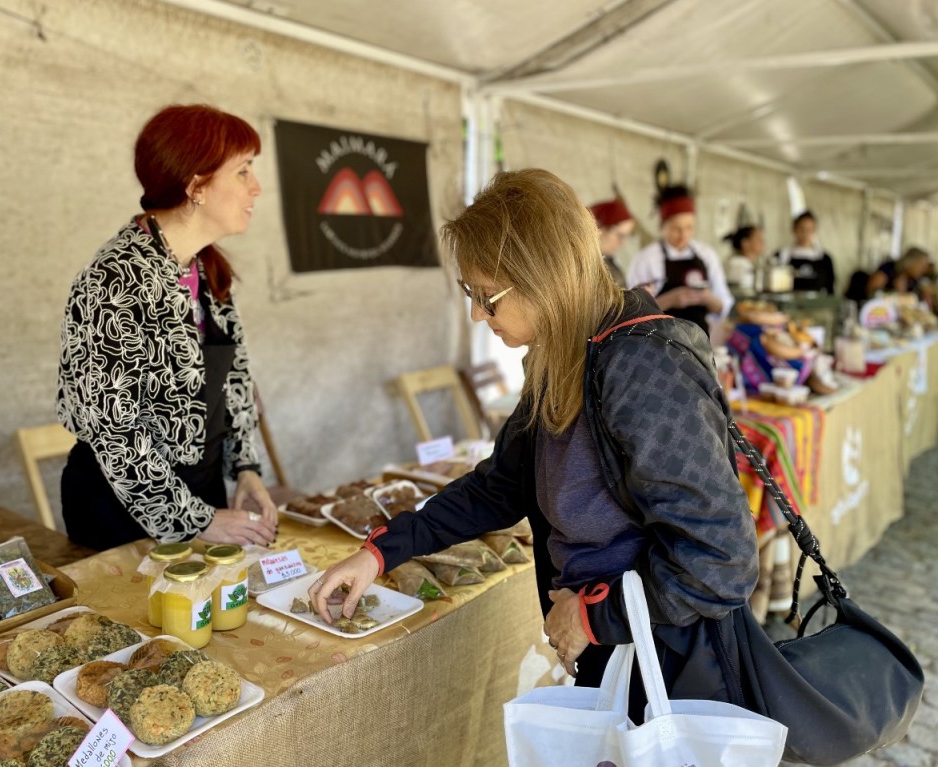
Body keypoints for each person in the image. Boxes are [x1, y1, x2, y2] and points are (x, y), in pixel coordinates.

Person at [310, 169, 758, 712]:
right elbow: (501, 486)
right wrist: (380, 553)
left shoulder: (643, 366)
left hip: (668, 664)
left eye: (486, 296)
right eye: (469, 294)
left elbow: (721, 559)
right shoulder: (560, 355)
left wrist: (594, 615)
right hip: (615, 647)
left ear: (541, 276)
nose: (477, 314)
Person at [56, 104, 278, 552]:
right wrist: (197, 520)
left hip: (205, 495)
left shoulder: (205, 270)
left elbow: (232, 380)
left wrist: (246, 467)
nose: (256, 188)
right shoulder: (114, 280)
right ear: (197, 185)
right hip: (122, 512)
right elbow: (116, 432)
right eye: (242, 172)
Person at [626, 185, 733, 337]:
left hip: (699, 344)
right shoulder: (646, 259)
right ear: (662, 226)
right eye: (676, 228)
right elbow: (632, 314)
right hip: (658, 342)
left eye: (689, 227)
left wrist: (707, 298)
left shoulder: (706, 255)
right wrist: (670, 300)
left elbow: (724, 307)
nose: (684, 235)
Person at [774, 210, 835, 294]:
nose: (805, 233)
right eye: (801, 229)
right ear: (794, 229)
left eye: (809, 229)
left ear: (814, 230)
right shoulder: (782, 255)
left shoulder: (825, 259)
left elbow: (830, 289)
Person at [589, 197, 634, 287]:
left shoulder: (608, 260)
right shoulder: (588, 266)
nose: (622, 243)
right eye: (620, 236)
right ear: (601, 230)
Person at [866, 246, 933, 299]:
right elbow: (871, 291)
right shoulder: (889, 269)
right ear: (911, 262)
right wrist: (895, 293)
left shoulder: (914, 279)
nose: (923, 270)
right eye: (921, 266)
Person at [723, 224, 765, 292]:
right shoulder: (738, 264)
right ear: (745, 243)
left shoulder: (744, 263)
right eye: (758, 238)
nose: (762, 242)